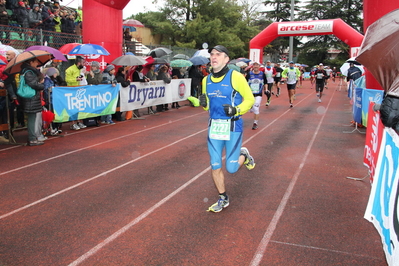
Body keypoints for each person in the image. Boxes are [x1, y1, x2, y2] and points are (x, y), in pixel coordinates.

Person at [198, 45, 255, 213]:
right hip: (214, 127)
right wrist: (202, 103)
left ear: (226, 59)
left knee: (231, 168)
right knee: (215, 164)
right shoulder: (205, 80)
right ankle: (223, 198)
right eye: (212, 55)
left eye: (218, 54)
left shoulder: (235, 77)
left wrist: (237, 110)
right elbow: (207, 106)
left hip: (232, 126)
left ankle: (243, 154)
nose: (214, 57)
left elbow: (249, 100)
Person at [20, 58, 45, 146]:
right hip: (31, 98)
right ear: (31, 62)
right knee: (32, 118)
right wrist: (41, 84)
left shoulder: (29, 71)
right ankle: (32, 138)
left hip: (32, 98)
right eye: (35, 62)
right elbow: (33, 84)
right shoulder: (28, 72)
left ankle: (33, 137)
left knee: (33, 117)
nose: (37, 63)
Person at [65, 56, 87, 130]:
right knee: (73, 107)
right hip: (72, 91)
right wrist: (76, 79)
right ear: (78, 63)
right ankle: (73, 123)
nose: (84, 64)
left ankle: (79, 121)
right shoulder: (69, 69)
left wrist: (85, 75)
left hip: (80, 90)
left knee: (79, 107)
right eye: (83, 62)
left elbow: (83, 79)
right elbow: (67, 80)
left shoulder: (81, 69)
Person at [246, 62, 266, 130]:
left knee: (256, 108)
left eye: (257, 65)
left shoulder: (262, 74)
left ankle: (255, 123)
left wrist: (266, 90)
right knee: (251, 108)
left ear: (259, 66)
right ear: (253, 66)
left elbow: (265, 82)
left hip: (258, 94)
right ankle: (251, 107)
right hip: (250, 94)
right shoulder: (249, 74)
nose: (256, 66)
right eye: (254, 65)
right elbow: (245, 83)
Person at [43, 67, 62, 135]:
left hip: (53, 99)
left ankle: (55, 127)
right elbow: (46, 90)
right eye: (55, 73)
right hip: (50, 100)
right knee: (51, 114)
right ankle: (52, 128)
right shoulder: (47, 80)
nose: (56, 74)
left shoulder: (52, 80)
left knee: (54, 113)